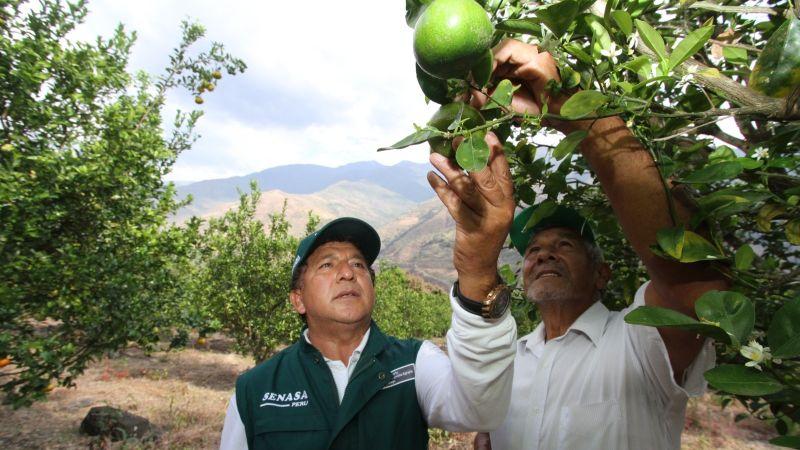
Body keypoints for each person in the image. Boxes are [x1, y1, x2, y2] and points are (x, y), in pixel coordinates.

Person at [427, 39, 728, 450]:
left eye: (565, 244)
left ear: (602, 272)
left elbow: (692, 276)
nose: (543, 253)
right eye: (532, 250)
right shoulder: (507, 362)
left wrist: (576, 113)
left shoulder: (636, 343)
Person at [218, 135, 519, 450]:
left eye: (359, 265)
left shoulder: (414, 363)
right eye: (326, 265)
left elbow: (480, 409)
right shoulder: (255, 390)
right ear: (298, 299)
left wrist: (478, 268)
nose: (348, 272)